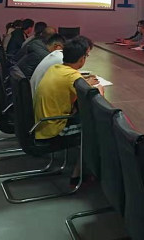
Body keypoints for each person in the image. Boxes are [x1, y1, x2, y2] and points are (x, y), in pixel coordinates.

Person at [33, 37, 102, 183]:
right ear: (82, 58)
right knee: (96, 128)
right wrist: (99, 88)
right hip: (54, 129)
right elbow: (95, 99)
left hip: (41, 123)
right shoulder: (72, 76)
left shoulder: (55, 68)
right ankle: (78, 174)